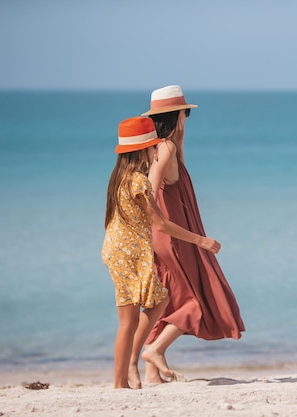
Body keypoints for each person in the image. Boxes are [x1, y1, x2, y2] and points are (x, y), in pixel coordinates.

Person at [101, 116, 221, 389]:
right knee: (131, 320)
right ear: (143, 149)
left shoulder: (117, 177)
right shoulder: (139, 182)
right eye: (153, 147)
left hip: (115, 250)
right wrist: (200, 240)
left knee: (153, 305)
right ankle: (125, 377)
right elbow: (162, 224)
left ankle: (128, 374)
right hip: (130, 254)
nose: (157, 151)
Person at [140, 85, 245, 384]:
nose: (187, 118)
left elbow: (172, 173)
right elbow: (150, 188)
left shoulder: (161, 147)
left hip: (163, 237)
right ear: (177, 116)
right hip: (175, 238)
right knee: (196, 302)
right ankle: (156, 349)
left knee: (169, 302)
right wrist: (200, 240)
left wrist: (179, 136)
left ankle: (151, 374)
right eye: (185, 113)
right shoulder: (166, 149)